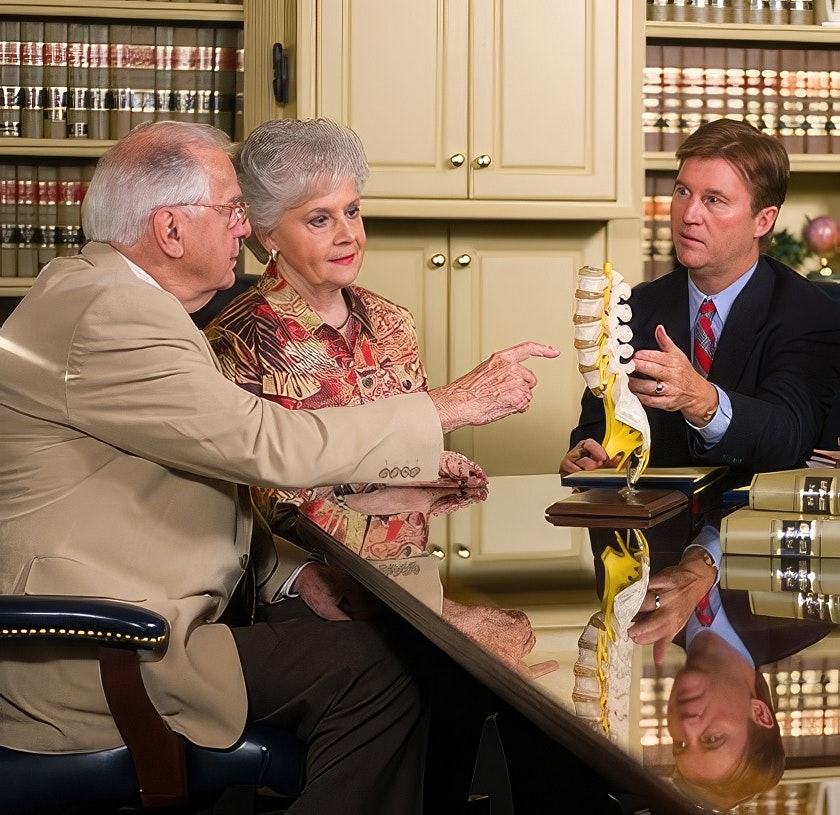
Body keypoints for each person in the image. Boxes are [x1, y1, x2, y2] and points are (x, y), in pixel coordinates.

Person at [0, 120, 558, 815]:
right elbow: (266, 445)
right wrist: (451, 402)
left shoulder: (106, 294)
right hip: (103, 652)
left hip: (131, 626)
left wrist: (292, 574)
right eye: (232, 210)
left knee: (403, 656)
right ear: (171, 231)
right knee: (385, 672)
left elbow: (199, 480)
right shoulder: (116, 314)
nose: (244, 226)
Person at [562, 117, 840, 485]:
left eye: (714, 200)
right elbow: (598, 429)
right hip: (650, 529)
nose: (689, 216)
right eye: (682, 193)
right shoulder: (635, 307)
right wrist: (589, 456)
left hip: (752, 529)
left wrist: (704, 402)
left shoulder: (810, 313)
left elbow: (789, 436)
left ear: (763, 220)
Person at [625, 526, 834, 810]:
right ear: (759, 712)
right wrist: (705, 562)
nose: (685, 725)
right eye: (712, 738)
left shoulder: (631, 603)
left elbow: (596, 491)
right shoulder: (811, 614)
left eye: (680, 744)